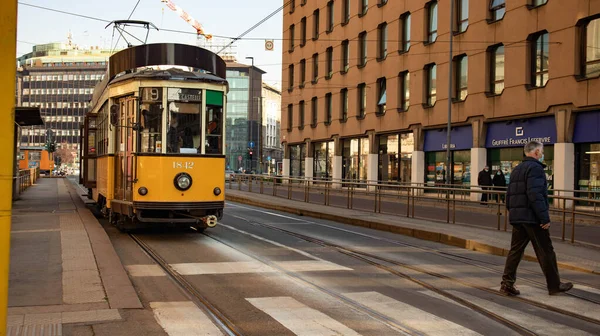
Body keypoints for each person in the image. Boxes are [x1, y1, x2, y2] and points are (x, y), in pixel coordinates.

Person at [501, 141, 573, 296]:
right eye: (541, 151)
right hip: (532, 218)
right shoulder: (535, 169)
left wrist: (514, 213)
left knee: (515, 251)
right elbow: (536, 195)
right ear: (536, 153)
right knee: (546, 250)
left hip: (519, 218)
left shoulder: (517, 169)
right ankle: (554, 285)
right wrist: (544, 218)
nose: (542, 154)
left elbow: (509, 196)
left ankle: (507, 283)